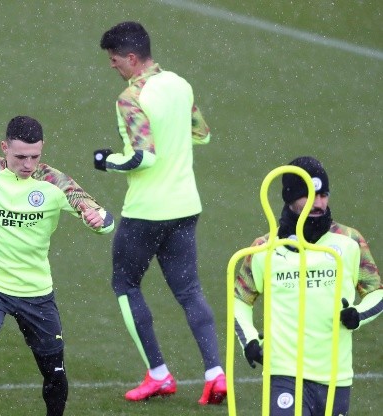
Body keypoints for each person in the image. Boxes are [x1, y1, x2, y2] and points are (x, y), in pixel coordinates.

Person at [0, 115, 114, 416]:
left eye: (35, 157)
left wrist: (97, 222)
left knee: (53, 371)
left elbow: (103, 218)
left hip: (35, 291)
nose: (28, 165)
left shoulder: (55, 182)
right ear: (4, 148)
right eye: (20, 157)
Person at [93, 21, 226, 405]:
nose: (113, 67)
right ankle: (215, 374)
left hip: (147, 211)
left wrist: (106, 161)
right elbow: (202, 134)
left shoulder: (130, 98)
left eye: (115, 60)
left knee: (125, 285)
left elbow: (142, 156)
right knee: (189, 291)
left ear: (132, 59)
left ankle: (159, 374)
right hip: (186, 206)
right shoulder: (180, 85)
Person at [234, 156, 382, 416]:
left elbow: (376, 292)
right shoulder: (263, 248)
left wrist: (358, 315)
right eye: (309, 195)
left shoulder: (349, 241)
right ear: (290, 199)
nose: (319, 203)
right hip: (284, 373)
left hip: (336, 376)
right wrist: (248, 339)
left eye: (323, 194)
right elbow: (240, 299)